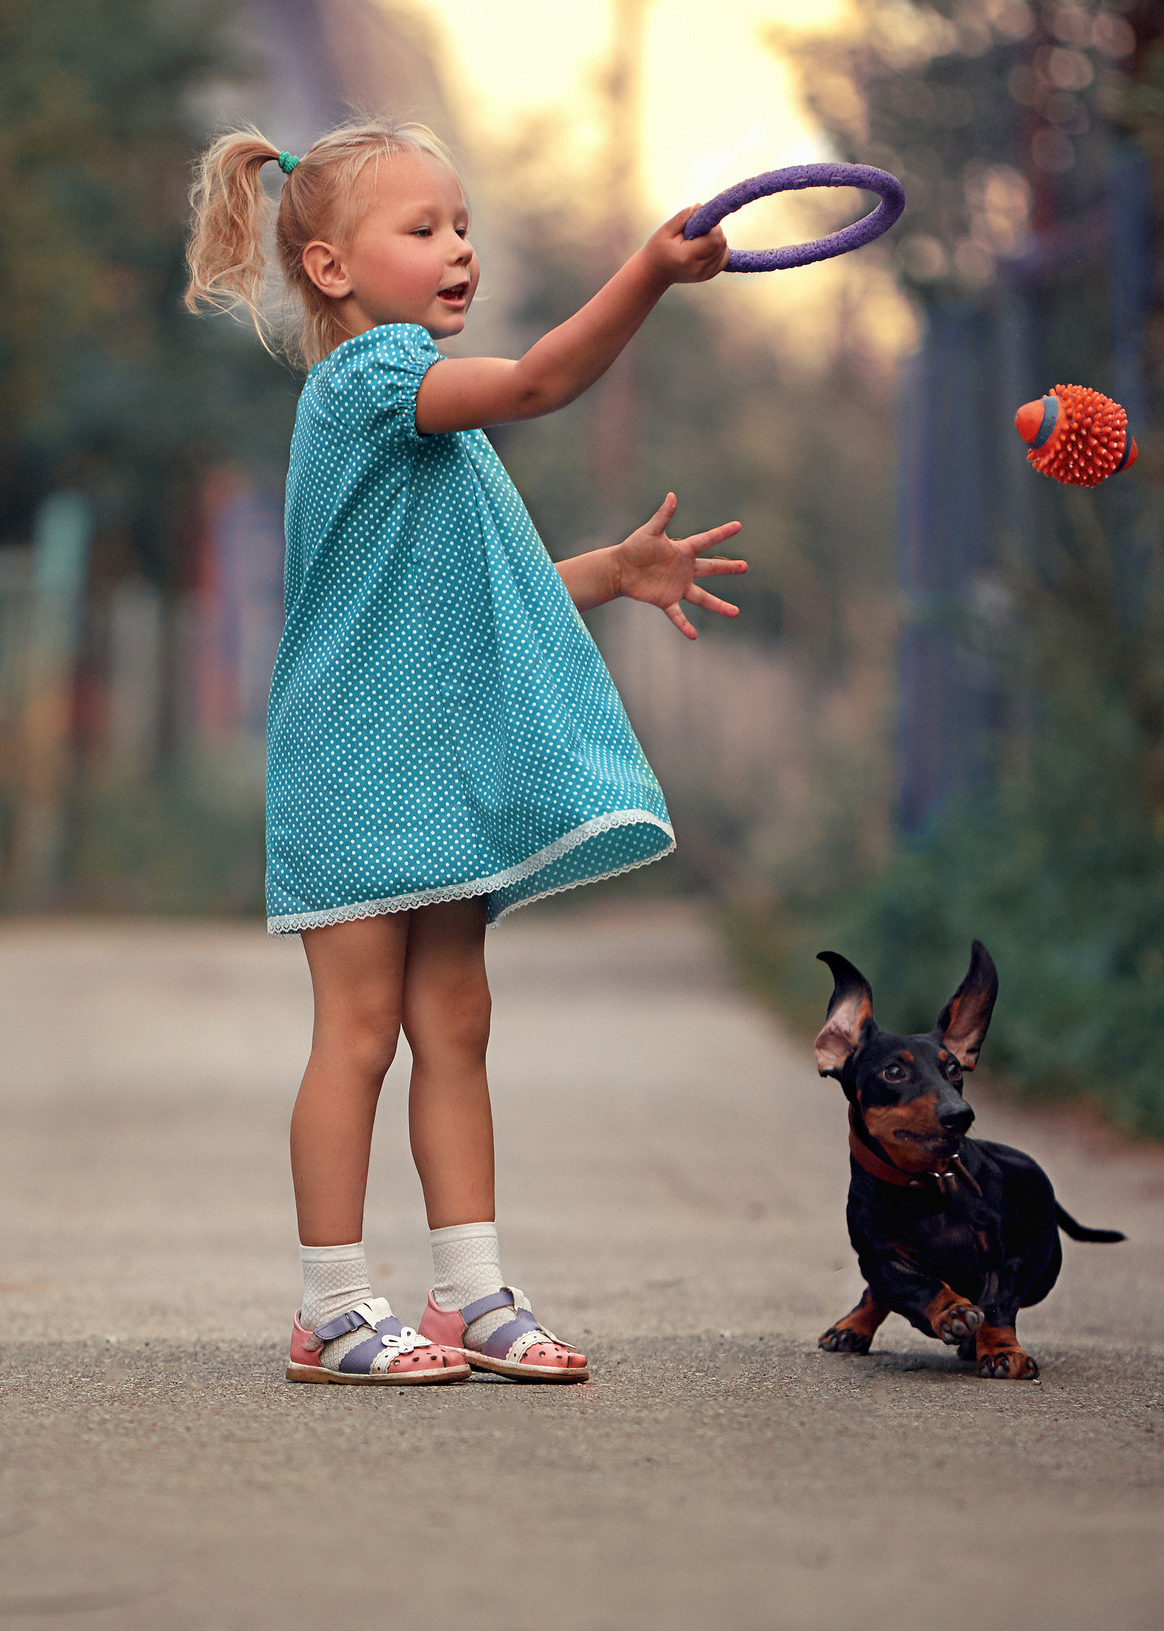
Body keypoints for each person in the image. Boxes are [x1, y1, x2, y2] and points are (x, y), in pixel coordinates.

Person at [183, 117, 745, 1385]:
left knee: (457, 1022)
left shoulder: (427, 421)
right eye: (422, 229)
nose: (458, 252)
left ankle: (468, 1294)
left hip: (430, 770)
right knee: (360, 1031)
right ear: (331, 268)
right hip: (352, 765)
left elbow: (459, 600)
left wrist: (606, 571)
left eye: (463, 228)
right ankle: (331, 1305)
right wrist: (648, 272)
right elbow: (544, 379)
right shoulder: (374, 384)